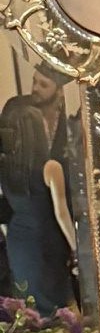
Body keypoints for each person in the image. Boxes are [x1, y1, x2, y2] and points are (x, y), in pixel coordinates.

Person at [0, 95, 75, 314]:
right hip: (45, 238)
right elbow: (61, 214)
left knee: (30, 301)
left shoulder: (6, 168)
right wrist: (76, 248)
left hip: (17, 240)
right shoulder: (51, 168)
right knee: (55, 301)